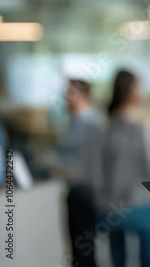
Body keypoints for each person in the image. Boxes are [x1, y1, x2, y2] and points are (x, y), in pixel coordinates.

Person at [98, 70, 150, 267]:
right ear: (131, 91)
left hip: (111, 208)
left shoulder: (103, 128)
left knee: (118, 257)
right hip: (139, 204)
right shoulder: (141, 128)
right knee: (149, 257)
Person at [56, 79, 101, 267]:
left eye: (70, 93)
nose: (66, 98)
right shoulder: (71, 123)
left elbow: (96, 165)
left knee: (85, 252)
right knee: (75, 251)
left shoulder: (93, 124)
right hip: (73, 193)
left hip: (88, 195)